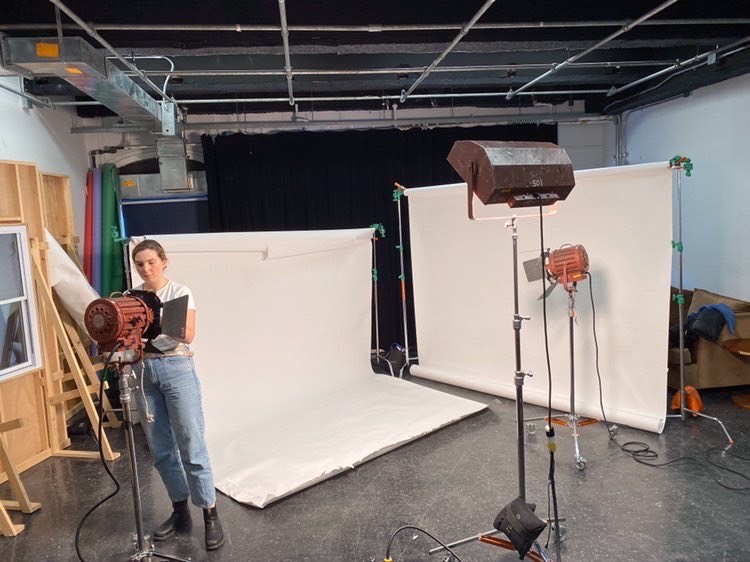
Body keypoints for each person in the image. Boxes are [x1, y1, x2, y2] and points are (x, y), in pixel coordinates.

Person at [130, 239, 224, 551]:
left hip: (175, 369)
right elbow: (128, 337)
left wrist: (147, 332)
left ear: (164, 261)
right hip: (143, 372)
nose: (146, 268)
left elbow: (186, 334)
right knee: (161, 449)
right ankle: (180, 510)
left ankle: (209, 514)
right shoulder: (132, 297)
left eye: (151, 262)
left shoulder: (178, 292)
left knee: (191, 444)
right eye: (140, 264)